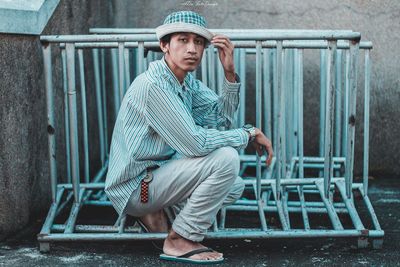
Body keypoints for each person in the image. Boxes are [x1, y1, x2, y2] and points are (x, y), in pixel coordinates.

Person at [105, 10, 273, 264]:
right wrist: (248, 134)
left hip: (159, 176)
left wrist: (229, 73)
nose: (192, 49)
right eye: (183, 40)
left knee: (234, 185)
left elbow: (220, 120)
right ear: (165, 46)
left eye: (198, 42)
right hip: (137, 187)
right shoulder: (154, 86)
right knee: (226, 159)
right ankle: (180, 238)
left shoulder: (186, 83)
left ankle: (159, 213)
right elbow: (195, 143)